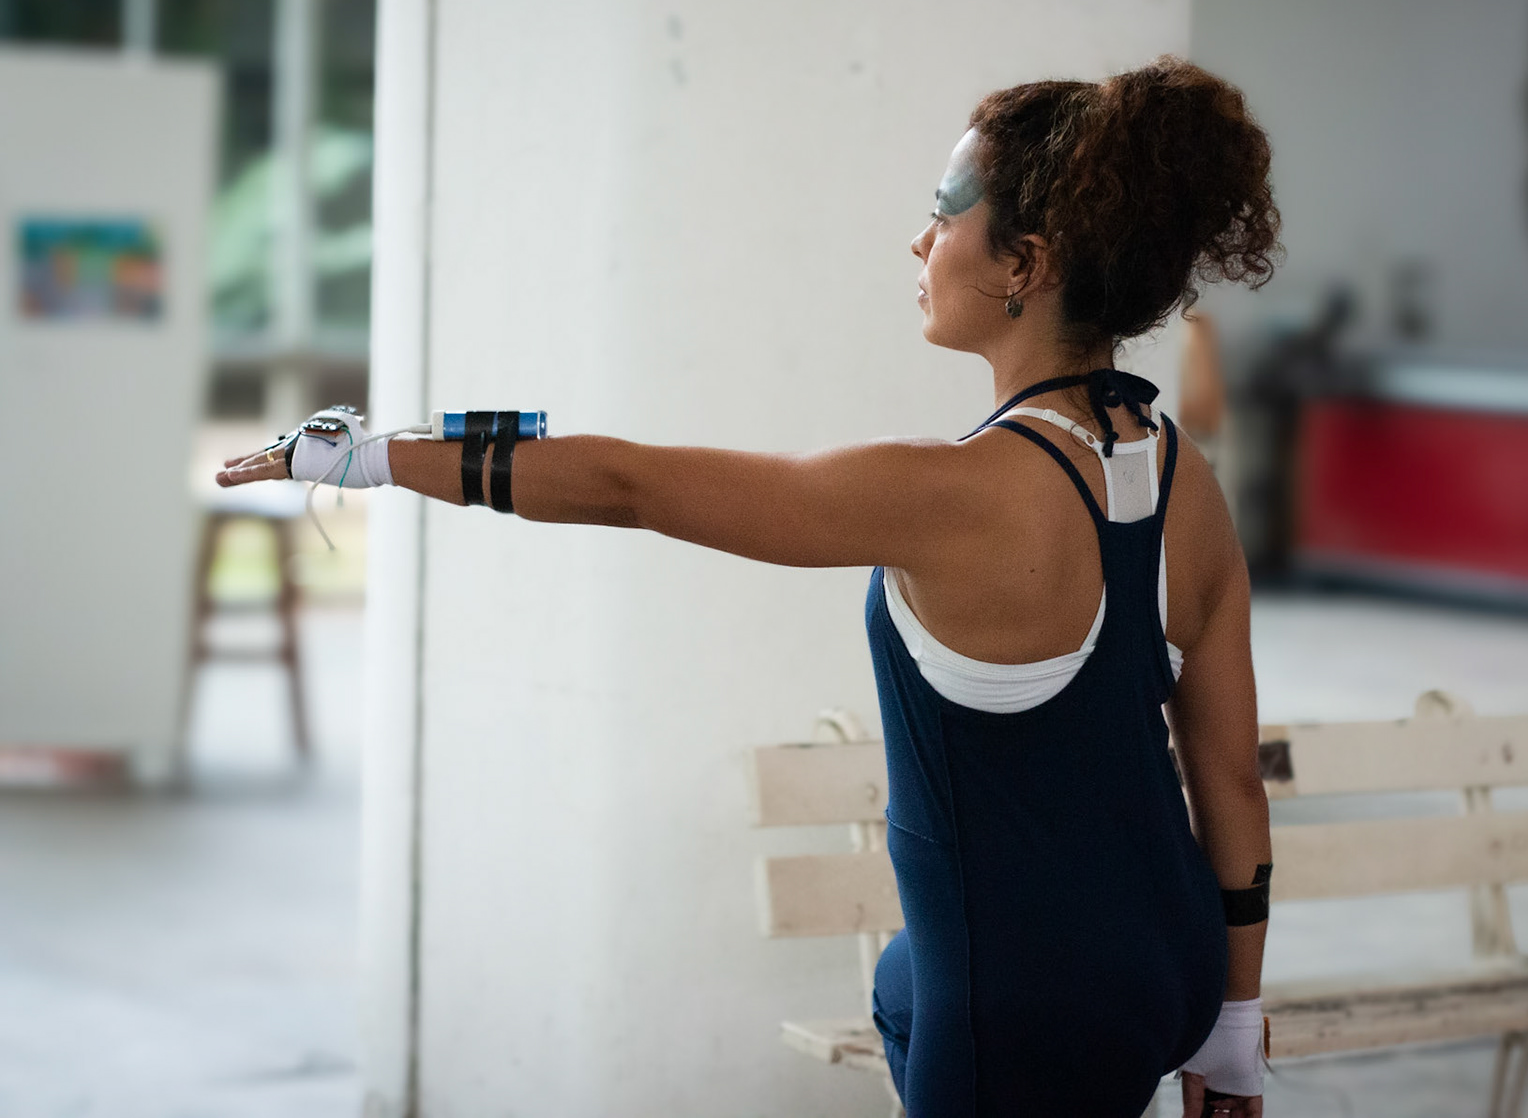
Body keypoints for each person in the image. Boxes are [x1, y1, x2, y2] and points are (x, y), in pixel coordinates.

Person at [218, 57, 1282, 1116]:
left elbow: (630, 485)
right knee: (904, 985)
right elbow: (1230, 781)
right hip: (1178, 961)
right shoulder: (1185, 480)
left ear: (1026, 264)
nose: (920, 242)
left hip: (1025, 1009)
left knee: (949, 992)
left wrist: (369, 457)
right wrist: (1234, 1028)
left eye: (945, 213)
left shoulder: (943, 493)